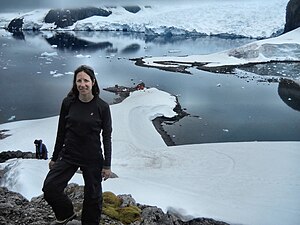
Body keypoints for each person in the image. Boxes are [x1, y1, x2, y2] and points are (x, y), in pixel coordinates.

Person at [42, 65, 113, 225]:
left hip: (92, 158)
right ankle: (66, 215)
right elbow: (61, 132)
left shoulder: (102, 107)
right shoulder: (68, 103)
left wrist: (107, 165)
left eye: (86, 80)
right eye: (79, 81)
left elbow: (106, 137)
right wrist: (54, 157)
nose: (82, 84)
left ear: (93, 82)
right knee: (50, 188)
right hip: (69, 154)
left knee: (93, 198)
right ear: (75, 83)